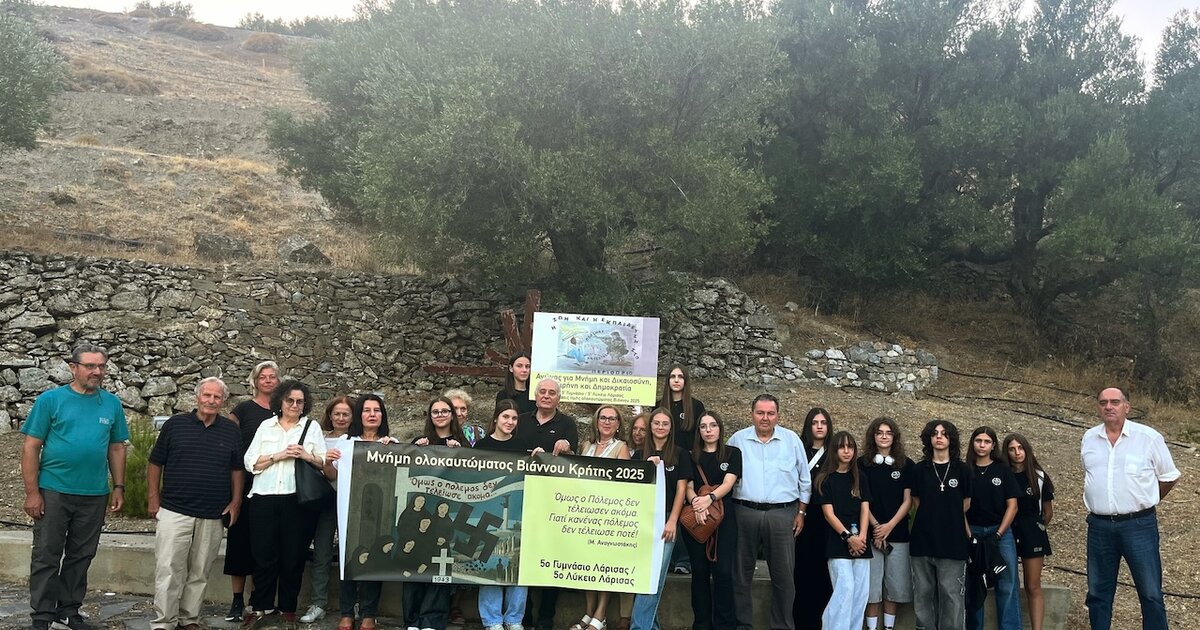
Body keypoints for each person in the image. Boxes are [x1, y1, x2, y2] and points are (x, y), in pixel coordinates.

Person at [21, 343, 130, 630]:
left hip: (94, 494)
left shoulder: (111, 404)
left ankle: (68, 610)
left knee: (81, 555)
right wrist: (32, 493)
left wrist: (119, 486)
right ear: (73, 368)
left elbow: (117, 447)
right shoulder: (51, 400)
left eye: (101, 366)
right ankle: (43, 615)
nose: (97, 372)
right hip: (54, 491)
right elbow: (31, 447)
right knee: (47, 554)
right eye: (90, 366)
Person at [149, 377, 244, 630]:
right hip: (174, 509)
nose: (211, 400)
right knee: (169, 568)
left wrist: (236, 502)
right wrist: (153, 498)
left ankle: (189, 618)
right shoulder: (175, 425)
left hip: (213, 512)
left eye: (217, 397)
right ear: (197, 397)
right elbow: (155, 462)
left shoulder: (231, 430)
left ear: (223, 401)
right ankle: (164, 622)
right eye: (207, 395)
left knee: (200, 571)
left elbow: (237, 469)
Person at [1082, 387, 1180, 630]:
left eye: (1115, 402)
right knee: (1098, 592)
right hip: (1099, 526)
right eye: (1103, 402)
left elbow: (1169, 476)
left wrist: (1148, 499)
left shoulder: (1148, 438)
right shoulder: (1089, 438)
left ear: (1127, 406)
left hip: (1138, 526)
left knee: (1150, 592)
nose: (1109, 406)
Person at [241, 380, 327, 629]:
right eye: (290, 400)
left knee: (293, 558)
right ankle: (261, 608)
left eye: (299, 401)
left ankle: (288, 611)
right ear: (280, 401)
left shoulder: (311, 427)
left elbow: (322, 462)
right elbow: (250, 462)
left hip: (296, 500)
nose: (294, 405)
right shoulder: (266, 426)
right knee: (263, 557)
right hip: (264, 497)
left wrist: (305, 455)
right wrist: (278, 456)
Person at [727, 394, 811, 630]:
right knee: (740, 574)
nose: (765, 418)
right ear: (752, 414)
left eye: (770, 413)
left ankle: (782, 625)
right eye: (760, 413)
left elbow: (805, 480)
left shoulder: (791, 440)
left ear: (778, 415)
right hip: (744, 512)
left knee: (784, 576)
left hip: (782, 514)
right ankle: (742, 625)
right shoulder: (737, 440)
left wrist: (801, 512)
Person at [325, 394, 397, 630]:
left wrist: (393, 450)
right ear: (360, 415)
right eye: (367, 410)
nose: (372, 414)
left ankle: (369, 613)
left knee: (375, 560)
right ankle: (347, 612)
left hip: (380, 513)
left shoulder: (391, 443)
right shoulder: (346, 442)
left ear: (382, 415)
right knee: (349, 559)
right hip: (351, 512)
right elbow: (332, 475)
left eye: (377, 410)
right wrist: (328, 461)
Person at [517, 378, 578, 630]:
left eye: (552, 393)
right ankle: (523, 613)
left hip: (553, 500)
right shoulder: (520, 420)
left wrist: (567, 447)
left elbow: (575, 459)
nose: (546, 395)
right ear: (535, 395)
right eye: (542, 391)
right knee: (522, 555)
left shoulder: (567, 424)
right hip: (522, 495)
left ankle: (546, 616)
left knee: (552, 555)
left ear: (558, 398)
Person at [226, 360, 281, 622]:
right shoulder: (243, 410)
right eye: (263, 377)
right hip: (245, 482)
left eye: (272, 377)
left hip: (273, 486)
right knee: (239, 542)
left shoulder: (284, 410)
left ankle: (258, 600)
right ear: (255, 381)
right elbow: (230, 445)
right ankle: (237, 600)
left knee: (266, 546)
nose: (268, 381)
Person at [405, 397, 466, 630]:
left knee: (439, 570)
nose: (440, 415)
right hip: (422, 509)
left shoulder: (462, 443)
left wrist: (461, 453)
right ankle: (412, 620)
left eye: (445, 411)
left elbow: (473, 472)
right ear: (430, 416)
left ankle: (432, 620)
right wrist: (414, 450)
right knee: (415, 568)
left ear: (452, 415)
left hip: (445, 512)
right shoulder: (419, 442)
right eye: (435, 412)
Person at [570, 405, 632, 630]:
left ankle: (601, 614)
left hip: (608, 515)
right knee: (586, 563)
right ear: (596, 422)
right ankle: (589, 612)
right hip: (585, 513)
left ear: (618, 424)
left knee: (604, 565)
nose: (607, 422)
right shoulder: (586, 446)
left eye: (612, 419)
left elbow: (625, 482)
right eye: (603, 418)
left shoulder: (621, 447)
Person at [630, 408, 692, 630]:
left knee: (654, 576)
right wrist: (648, 467)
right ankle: (650, 626)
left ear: (671, 428)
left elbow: (681, 490)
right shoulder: (639, 455)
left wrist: (673, 521)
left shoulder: (680, 454)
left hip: (666, 521)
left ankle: (639, 627)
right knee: (643, 575)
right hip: (642, 521)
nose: (660, 427)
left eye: (665, 423)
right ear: (650, 426)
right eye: (656, 423)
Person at [909, 420, 971, 630]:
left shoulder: (962, 470)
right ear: (929, 438)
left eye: (944, 434)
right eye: (935, 433)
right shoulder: (919, 469)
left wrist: (948, 516)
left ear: (951, 439)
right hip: (923, 542)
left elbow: (966, 503)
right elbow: (916, 500)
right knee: (923, 595)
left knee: (951, 595)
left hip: (953, 542)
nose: (939, 437)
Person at [683, 411, 741, 630]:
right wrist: (697, 504)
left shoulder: (732, 453)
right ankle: (702, 624)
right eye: (703, 426)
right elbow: (688, 486)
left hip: (724, 518)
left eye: (713, 425)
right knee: (699, 572)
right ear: (698, 431)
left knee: (723, 571)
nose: (708, 430)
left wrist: (709, 499)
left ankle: (725, 624)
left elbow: (728, 483)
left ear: (720, 428)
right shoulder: (690, 456)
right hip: (697, 519)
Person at [473, 400, 529, 630]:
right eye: (506, 416)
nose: (510, 422)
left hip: (517, 511)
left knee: (519, 563)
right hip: (488, 511)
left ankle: (514, 619)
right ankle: (492, 619)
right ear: (496, 418)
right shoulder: (482, 446)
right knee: (489, 562)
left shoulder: (522, 446)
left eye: (514, 418)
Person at [299, 396, 354, 624]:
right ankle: (318, 603)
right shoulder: (318, 438)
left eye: (345, 414)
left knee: (351, 555)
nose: (340, 418)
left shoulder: (357, 440)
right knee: (321, 553)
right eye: (336, 413)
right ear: (329, 415)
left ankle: (353, 604)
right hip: (324, 500)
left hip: (350, 501)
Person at [858, 417, 914, 630]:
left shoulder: (906, 465)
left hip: (897, 535)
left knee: (894, 588)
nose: (884, 436)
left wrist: (889, 526)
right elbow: (861, 500)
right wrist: (876, 527)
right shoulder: (861, 465)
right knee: (872, 589)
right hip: (871, 535)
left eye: (888, 433)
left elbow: (908, 501)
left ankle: (888, 627)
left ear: (894, 437)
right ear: (873, 436)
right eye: (879, 432)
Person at [814, 431, 872, 630]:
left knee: (860, 594)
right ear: (834, 450)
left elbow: (865, 508)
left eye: (850, 447)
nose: (847, 451)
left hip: (861, 543)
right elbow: (829, 514)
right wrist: (848, 537)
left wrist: (861, 537)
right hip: (838, 543)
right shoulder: (825, 479)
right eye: (842, 447)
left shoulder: (860, 477)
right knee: (845, 589)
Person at [964, 426, 1020, 630]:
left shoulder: (1002, 470)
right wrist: (970, 536)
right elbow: (960, 508)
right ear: (972, 443)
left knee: (1007, 582)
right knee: (973, 585)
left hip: (1000, 533)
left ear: (993, 445)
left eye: (987, 442)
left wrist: (998, 534)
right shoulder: (965, 470)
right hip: (972, 532)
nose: (982, 445)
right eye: (978, 441)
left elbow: (1012, 506)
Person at [1002, 433, 1054, 630]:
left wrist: (1037, 528)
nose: (1017, 453)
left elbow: (1047, 511)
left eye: (1020, 448)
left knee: (1032, 585)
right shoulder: (1002, 475)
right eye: (1012, 449)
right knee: (1008, 583)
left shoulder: (1038, 476)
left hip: (1032, 533)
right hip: (1007, 531)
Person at [793, 407, 833, 630]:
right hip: (801, 517)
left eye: (823, 423)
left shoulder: (834, 452)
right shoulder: (798, 449)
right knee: (801, 571)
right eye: (815, 423)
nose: (819, 427)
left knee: (823, 573)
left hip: (826, 520)